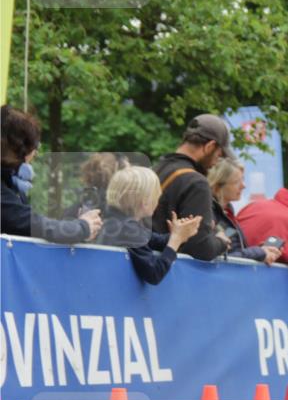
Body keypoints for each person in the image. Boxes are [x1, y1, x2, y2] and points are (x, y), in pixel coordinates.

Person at [0, 105, 102, 243]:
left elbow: (31, 224)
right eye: (33, 146)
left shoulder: (11, 183)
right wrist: (82, 227)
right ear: (17, 148)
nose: (35, 153)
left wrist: (74, 224)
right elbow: (29, 223)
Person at [96, 167, 201, 284]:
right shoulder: (128, 230)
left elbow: (154, 240)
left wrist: (179, 234)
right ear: (145, 203)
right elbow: (154, 274)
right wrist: (175, 240)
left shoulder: (116, 223)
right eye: (156, 197)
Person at [152, 114, 235, 260]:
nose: (216, 162)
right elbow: (200, 248)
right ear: (209, 146)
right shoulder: (196, 183)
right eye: (218, 155)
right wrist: (221, 242)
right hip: (170, 276)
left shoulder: (154, 170)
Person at [207, 159, 282, 264]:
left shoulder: (227, 213)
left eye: (243, 180)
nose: (244, 186)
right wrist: (259, 252)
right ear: (218, 186)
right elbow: (220, 258)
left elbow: (234, 252)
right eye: (237, 182)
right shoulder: (209, 213)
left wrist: (261, 250)